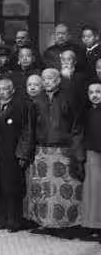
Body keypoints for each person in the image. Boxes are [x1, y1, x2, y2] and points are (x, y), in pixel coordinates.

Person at [27, 68, 84, 234]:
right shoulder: (37, 100)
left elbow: (77, 126)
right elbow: (30, 128)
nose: (47, 82)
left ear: (58, 80)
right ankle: (44, 224)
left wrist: (77, 151)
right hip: (42, 150)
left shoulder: (69, 97)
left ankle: (67, 226)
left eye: (51, 78)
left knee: (65, 190)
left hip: (64, 150)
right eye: (44, 79)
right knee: (43, 189)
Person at [0, 78, 36, 232]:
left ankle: (14, 221)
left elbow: (27, 132)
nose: (1, 92)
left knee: (12, 188)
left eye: (5, 89)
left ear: (12, 90)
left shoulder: (21, 106)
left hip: (13, 154)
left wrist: (23, 154)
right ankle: (2, 219)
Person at [80, 82, 101, 238]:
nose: (95, 95)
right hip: (92, 152)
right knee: (92, 190)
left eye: (98, 92)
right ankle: (92, 225)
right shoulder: (86, 111)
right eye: (91, 92)